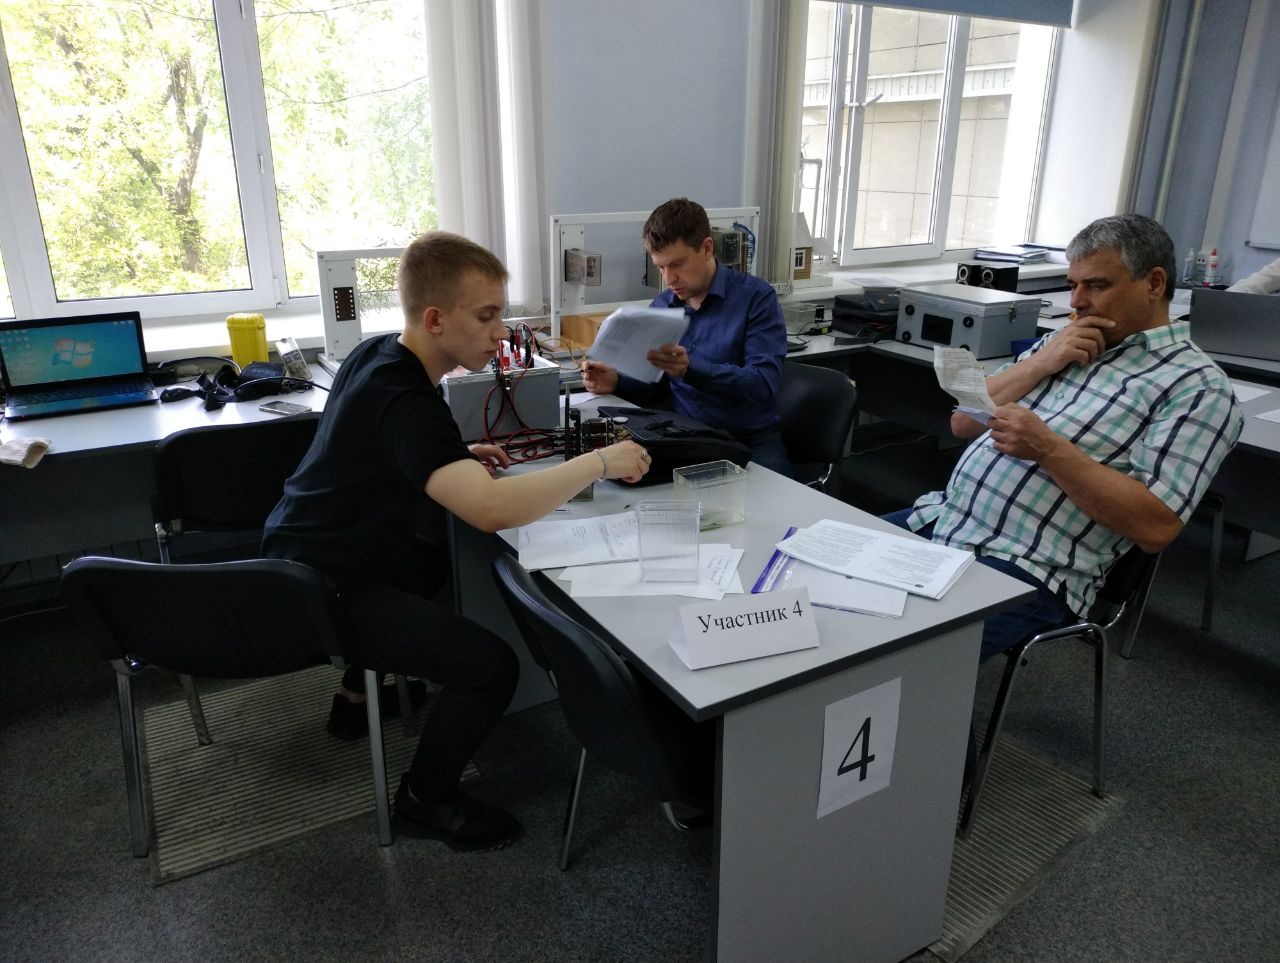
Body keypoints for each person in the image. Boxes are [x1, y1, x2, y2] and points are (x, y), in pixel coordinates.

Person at [263, 231, 651, 852]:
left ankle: (353, 700)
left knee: (430, 559)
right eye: (486, 316)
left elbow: (376, 446)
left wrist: (453, 455)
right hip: (323, 586)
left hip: (305, 548)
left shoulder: (378, 355)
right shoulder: (407, 400)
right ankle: (424, 799)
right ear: (436, 320)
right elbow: (491, 511)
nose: (501, 333)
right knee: (488, 668)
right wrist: (600, 462)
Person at [885, 214, 1242, 765]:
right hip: (942, 522)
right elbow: (962, 421)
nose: (1077, 301)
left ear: (1154, 283)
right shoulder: (1066, 341)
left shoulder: (1197, 389)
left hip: (1028, 567)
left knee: (901, 657)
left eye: (1096, 285)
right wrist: (1044, 361)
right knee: (809, 574)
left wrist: (1049, 449)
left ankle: (934, 791)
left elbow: (1156, 526)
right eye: (1073, 284)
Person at [579, 197, 792, 476]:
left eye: (677, 264)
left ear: (707, 248)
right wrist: (616, 382)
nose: (669, 279)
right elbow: (655, 385)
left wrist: (690, 369)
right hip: (686, 437)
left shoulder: (756, 298)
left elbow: (762, 382)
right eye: (660, 267)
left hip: (749, 441)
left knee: (776, 502)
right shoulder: (663, 306)